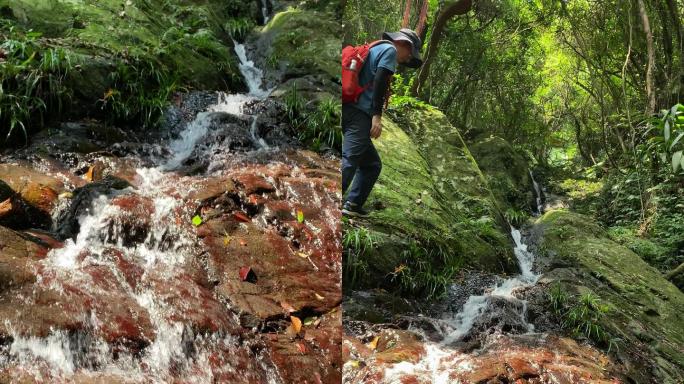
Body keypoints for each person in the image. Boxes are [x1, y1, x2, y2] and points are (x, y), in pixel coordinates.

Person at [341, 28, 424, 217]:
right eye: (410, 53)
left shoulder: (375, 47)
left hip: (349, 109)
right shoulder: (390, 50)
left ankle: (353, 204)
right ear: (404, 44)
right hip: (359, 113)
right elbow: (379, 81)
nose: (408, 58)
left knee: (372, 164)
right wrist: (376, 116)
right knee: (350, 159)